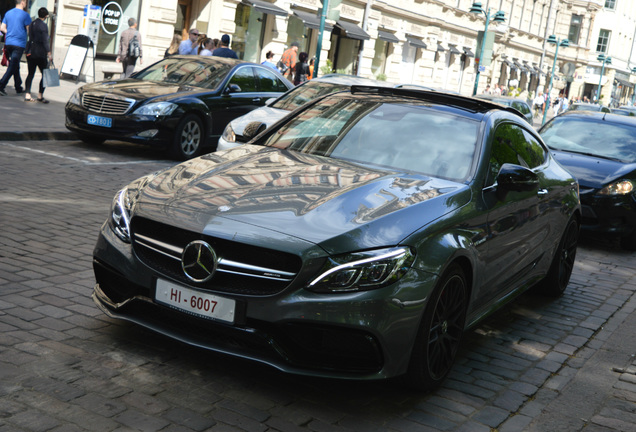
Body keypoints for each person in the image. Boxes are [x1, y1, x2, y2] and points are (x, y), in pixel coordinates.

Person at [0, 0, 31, 96]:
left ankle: (18, 87)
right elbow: (29, 30)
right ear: (22, 2)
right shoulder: (25, 15)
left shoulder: (8, 13)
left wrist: (9, 32)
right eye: (26, 2)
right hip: (19, 44)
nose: (26, 4)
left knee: (15, 65)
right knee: (13, 65)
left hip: (8, 43)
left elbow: (2, 28)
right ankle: (1, 85)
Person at [24, 7, 51, 103]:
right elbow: (45, 40)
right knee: (45, 74)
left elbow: (30, 36)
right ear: (46, 16)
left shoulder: (32, 23)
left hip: (30, 51)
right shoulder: (43, 26)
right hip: (40, 53)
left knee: (30, 73)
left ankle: (27, 94)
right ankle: (40, 95)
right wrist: (49, 53)